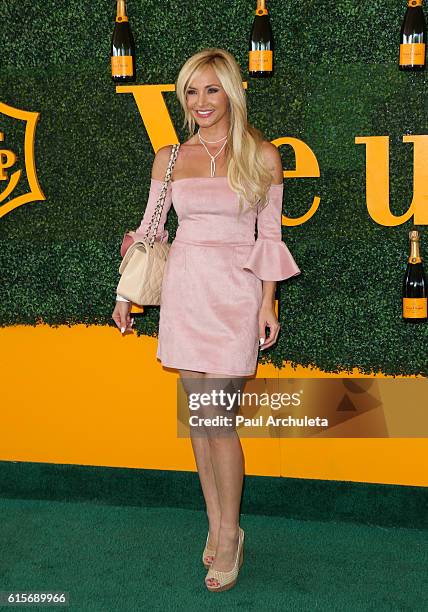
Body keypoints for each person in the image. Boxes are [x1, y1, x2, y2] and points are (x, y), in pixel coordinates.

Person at [112, 48, 301, 592]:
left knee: (218, 418)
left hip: (237, 294)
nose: (201, 102)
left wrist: (268, 304)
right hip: (186, 291)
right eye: (192, 92)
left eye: (212, 90)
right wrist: (127, 294)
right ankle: (219, 530)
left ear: (232, 93)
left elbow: (271, 237)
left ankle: (229, 532)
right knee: (200, 418)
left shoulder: (263, 157)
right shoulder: (169, 157)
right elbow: (150, 231)